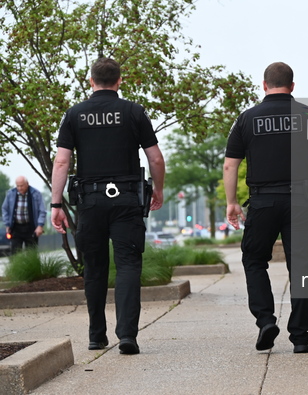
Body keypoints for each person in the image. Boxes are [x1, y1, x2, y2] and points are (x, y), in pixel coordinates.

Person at [51, 57, 165, 355]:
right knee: (128, 265)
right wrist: (159, 190)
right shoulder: (133, 112)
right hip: (126, 199)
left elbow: (62, 161)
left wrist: (56, 203)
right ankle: (127, 335)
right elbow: (155, 158)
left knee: (95, 267)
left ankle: (96, 336)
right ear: (119, 80)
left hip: (90, 202)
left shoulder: (74, 115)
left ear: (91, 81)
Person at [223, 62, 308, 354]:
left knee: (254, 259)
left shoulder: (246, 119)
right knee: (301, 267)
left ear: (264, 85)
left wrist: (232, 202)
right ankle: (301, 337)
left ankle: (265, 320)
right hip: (303, 200)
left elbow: (230, 164)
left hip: (263, 201)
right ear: (292, 86)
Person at [2, 176, 47, 254]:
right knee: (15, 254)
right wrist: (7, 225)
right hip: (16, 227)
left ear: (27, 184)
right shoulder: (10, 194)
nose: (19, 188)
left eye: (21, 185)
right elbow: (5, 209)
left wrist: (40, 226)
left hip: (31, 228)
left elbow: (42, 211)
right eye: (18, 186)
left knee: (32, 254)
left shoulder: (36, 194)